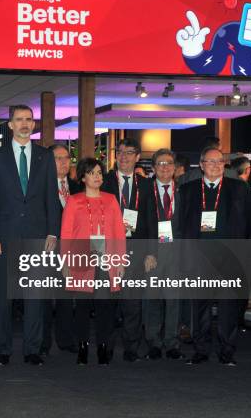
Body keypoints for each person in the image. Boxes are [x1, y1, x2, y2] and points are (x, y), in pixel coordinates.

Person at [0, 105, 61, 366]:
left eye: (29, 119)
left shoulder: (44, 156)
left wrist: (53, 232)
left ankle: (32, 349)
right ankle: (3, 350)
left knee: (35, 297)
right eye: (20, 120)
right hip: (4, 236)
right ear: (11, 125)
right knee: (5, 296)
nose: (25, 124)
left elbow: (52, 197)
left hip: (38, 236)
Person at [178, 147, 248, 366]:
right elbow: (181, 225)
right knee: (200, 306)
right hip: (199, 257)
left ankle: (227, 352)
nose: (216, 165)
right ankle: (201, 350)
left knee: (229, 306)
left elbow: (249, 223)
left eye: (219, 162)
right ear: (201, 165)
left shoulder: (238, 188)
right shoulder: (187, 189)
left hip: (230, 256)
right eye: (210, 162)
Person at [61, 158, 126, 365]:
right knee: (81, 307)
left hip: (107, 259)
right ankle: (82, 347)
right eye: (92, 173)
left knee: (104, 307)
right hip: (81, 259)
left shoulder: (111, 200)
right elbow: (66, 233)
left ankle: (103, 347)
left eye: (99, 172)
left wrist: (121, 261)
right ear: (82, 177)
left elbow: (119, 232)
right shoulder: (74, 200)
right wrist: (65, 262)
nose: (97, 176)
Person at [102, 137, 150, 362]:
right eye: (120, 152)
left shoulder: (146, 185)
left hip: (136, 249)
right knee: (108, 302)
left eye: (129, 152)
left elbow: (151, 220)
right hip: (108, 248)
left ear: (137, 157)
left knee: (133, 303)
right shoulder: (103, 182)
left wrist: (151, 252)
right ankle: (107, 346)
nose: (124, 156)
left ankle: (131, 347)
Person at [142, 149, 185, 361]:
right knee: (152, 299)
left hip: (176, 252)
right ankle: (153, 342)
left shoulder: (184, 191)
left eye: (169, 163)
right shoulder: (145, 191)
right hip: (153, 252)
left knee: (174, 299)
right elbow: (142, 226)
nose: (165, 167)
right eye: (160, 163)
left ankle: (172, 342)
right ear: (153, 168)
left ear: (175, 168)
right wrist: (147, 251)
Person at [41, 144, 80, 357]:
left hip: (72, 250)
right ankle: (43, 342)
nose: (64, 162)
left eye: (66, 158)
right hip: (49, 249)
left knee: (67, 298)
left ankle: (66, 340)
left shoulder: (76, 188)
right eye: (58, 158)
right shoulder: (40, 188)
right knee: (45, 298)